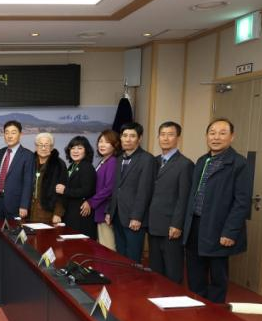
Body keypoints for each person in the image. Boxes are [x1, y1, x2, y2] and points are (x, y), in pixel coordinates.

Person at [182, 118, 252, 303]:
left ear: (232, 137)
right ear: (206, 136)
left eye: (222, 133)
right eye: (212, 133)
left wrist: (230, 231)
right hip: (195, 225)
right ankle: (197, 308)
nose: (216, 137)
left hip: (219, 227)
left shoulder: (239, 163)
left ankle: (215, 314)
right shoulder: (202, 161)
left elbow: (242, 202)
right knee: (195, 274)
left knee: (217, 277)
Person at [148, 122, 194, 284]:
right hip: (153, 224)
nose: (165, 138)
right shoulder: (153, 161)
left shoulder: (185, 164)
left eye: (170, 134)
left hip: (171, 227)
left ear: (178, 138)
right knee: (155, 270)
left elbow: (184, 197)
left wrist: (177, 224)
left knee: (172, 271)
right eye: (162, 134)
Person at [106, 122, 154, 263]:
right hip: (117, 216)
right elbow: (116, 188)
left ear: (139, 138)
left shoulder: (147, 159)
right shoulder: (119, 159)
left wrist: (137, 217)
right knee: (120, 256)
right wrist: (110, 211)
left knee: (133, 258)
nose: (127, 139)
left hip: (134, 218)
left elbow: (144, 190)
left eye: (132, 136)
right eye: (125, 135)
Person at [84, 130, 119, 250]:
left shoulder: (112, 162)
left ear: (115, 145)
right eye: (100, 141)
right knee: (101, 246)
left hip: (105, 211)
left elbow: (109, 188)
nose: (102, 145)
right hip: (99, 210)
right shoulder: (103, 161)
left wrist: (91, 202)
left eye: (107, 142)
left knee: (107, 248)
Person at [0, 120, 34, 220]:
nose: (9, 136)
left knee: (14, 230)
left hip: (16, 204)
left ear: (20, 134)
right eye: (7, 133)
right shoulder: (0, 152)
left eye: (13, 132)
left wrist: (24, 205)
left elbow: (28, 182)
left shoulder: (28, 155)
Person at [57, 136, 97, 239]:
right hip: (71, 213)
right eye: (73, 148)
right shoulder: (72, 166)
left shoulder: (86, 167)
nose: (75, 151)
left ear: (86, 151)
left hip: (81, 215)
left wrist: (65, 190)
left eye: (79, 148)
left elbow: (87, 190)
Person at [28, 132, 67, 224]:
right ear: (36, 147)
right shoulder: (30, 161)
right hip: (29, 210)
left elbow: (62, 191)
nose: (43, 148)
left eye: (46, 145)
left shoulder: (58, 164)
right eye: (40, 145)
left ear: (52, 147)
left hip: (47, 212)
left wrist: (58, 213)